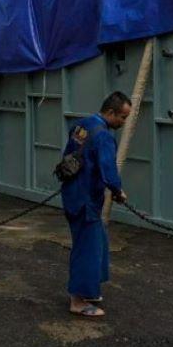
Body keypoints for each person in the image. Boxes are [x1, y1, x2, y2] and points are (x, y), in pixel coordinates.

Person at [60, 91, 130, 317]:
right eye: (122, 117)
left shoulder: (82, 125)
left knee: (97, 241)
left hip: (72, 192)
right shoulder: (104, 136)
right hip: (86, 199)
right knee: (86, 249)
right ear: (110, 112)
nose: (123, 122)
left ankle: (89, 289)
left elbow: (68, 154)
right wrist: (118, 191)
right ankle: (78, 300)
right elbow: (108, 169)